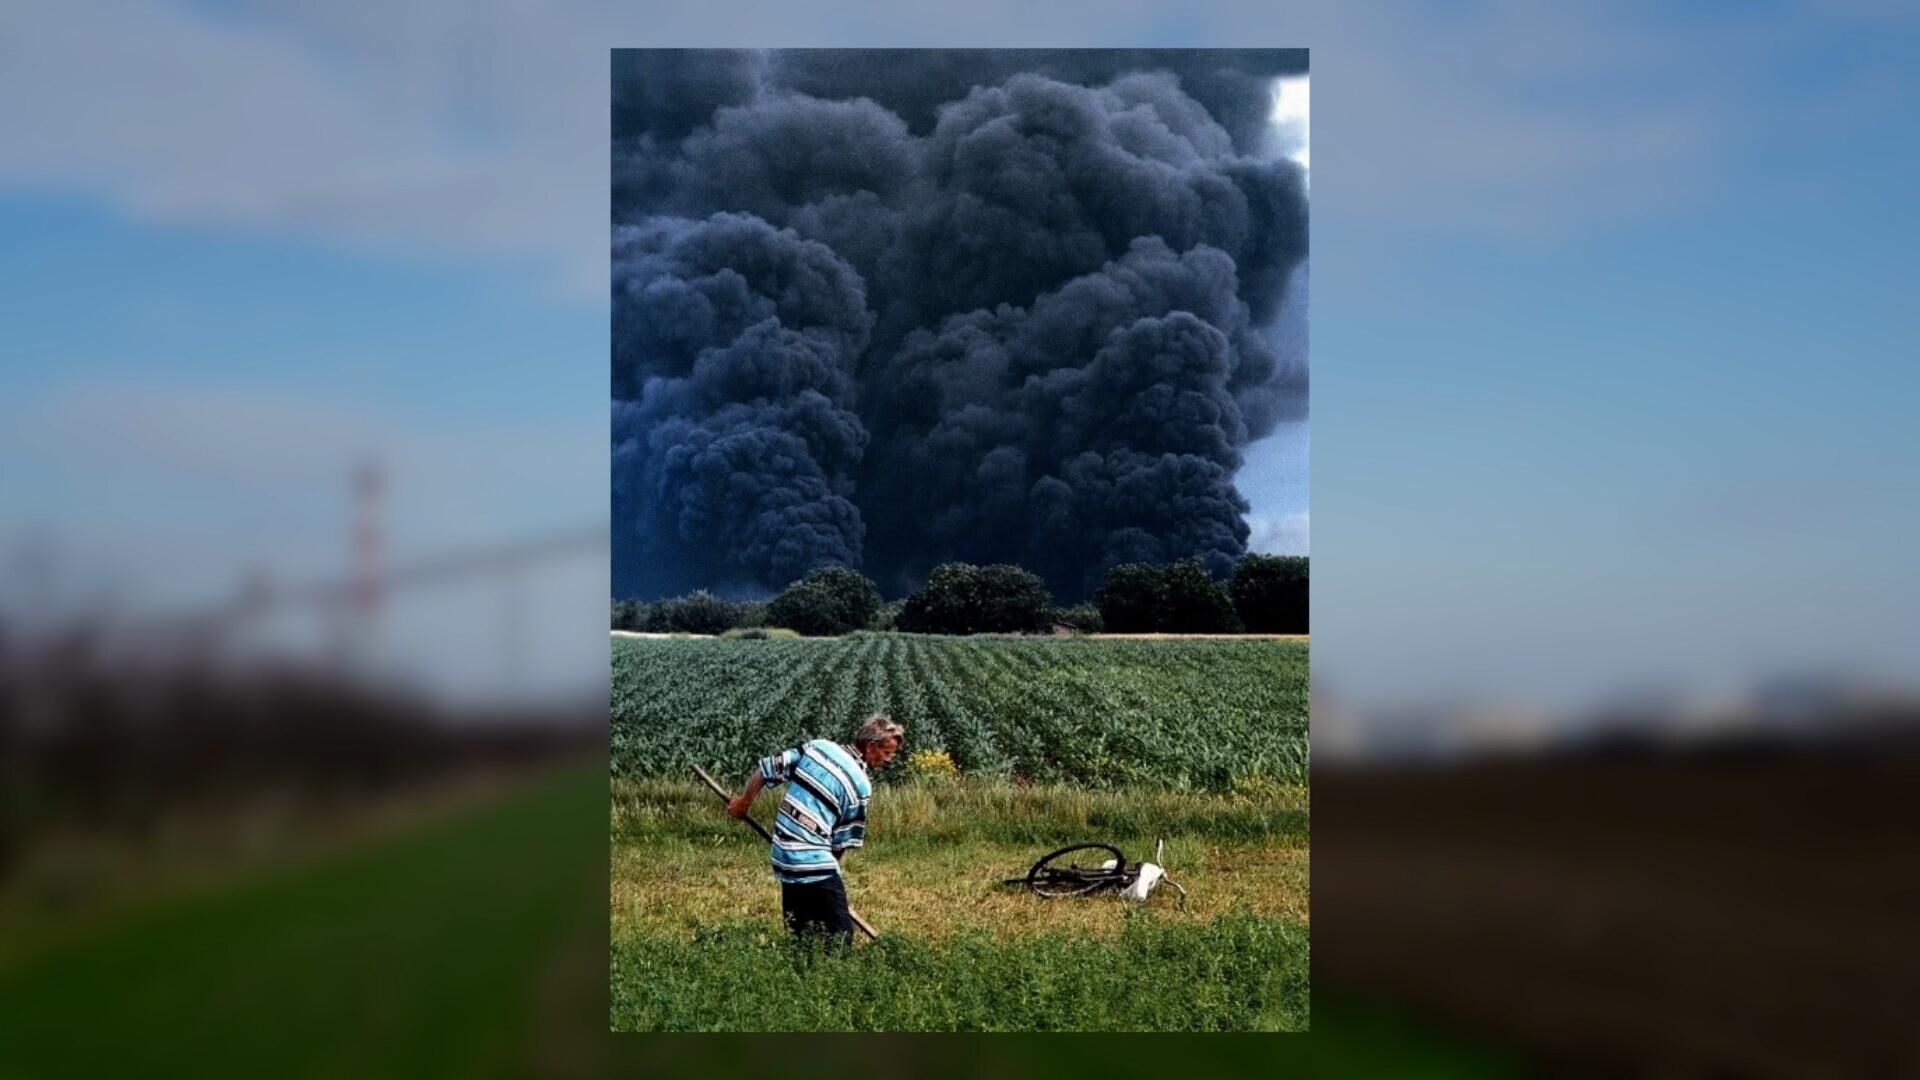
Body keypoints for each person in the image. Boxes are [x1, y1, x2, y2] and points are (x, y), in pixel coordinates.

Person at [729, 714, 905, 950]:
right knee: (841, 937)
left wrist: (744, 802)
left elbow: (768, 767)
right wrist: (831, 884)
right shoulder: (861, 786)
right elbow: (840, 843)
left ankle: (802, 970)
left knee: (800, 932)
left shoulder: (818, 747)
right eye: (887, 752)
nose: (889, 759)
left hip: (782, 856)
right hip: (812, 859)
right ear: (871, 746)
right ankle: (834, 979)